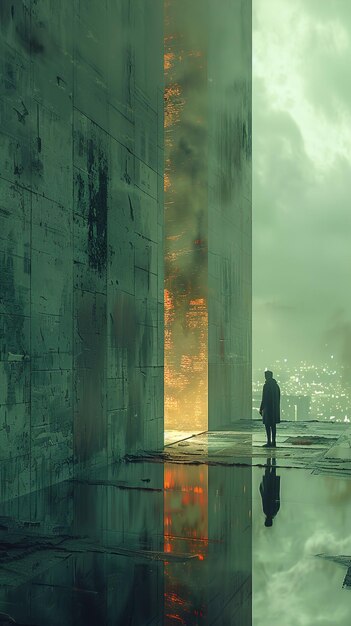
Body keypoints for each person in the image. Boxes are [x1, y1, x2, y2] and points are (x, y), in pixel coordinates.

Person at [259, 369, 280, 447]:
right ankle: (273, 441)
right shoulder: (276, 386)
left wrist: (261, 408)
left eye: (265, 376)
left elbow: (264, 398)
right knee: (273, 426)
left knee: (267, 425)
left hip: (268, 408)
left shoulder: (267, 385)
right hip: (274, 409)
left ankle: (269, 442)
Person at [259, 457, 281, 527]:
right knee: (268, 471)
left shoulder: (275, 511)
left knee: (273, 471)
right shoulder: (266, 511)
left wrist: (277, 487)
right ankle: (269, 457)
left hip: (273, 488)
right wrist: (261, 490)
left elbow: (278, 497)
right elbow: (263, 499)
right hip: (268, 489)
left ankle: (273, 458)